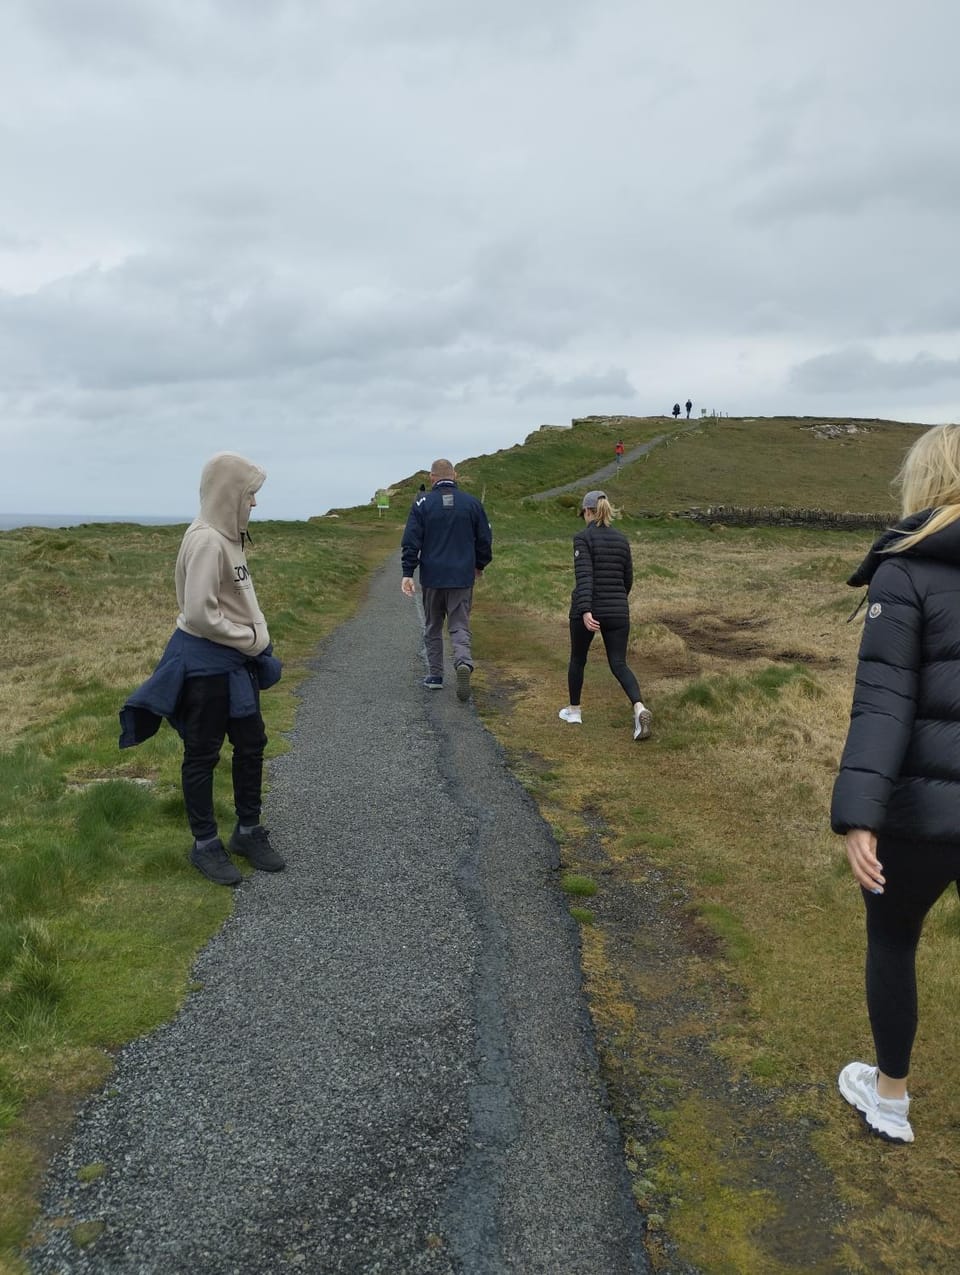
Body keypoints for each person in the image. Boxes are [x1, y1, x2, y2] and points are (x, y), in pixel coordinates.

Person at [831, 423, 960, 1144]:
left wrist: (859, 814)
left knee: (893, 937)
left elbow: (885, 703)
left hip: (918, 811)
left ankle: (890, 1098)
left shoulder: (902, 569)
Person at [119, 452, 284, 886]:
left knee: (251, 743)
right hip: (206, 667)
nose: (254, 503)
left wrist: (249, 644)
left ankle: (247, 832)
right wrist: (250, 640)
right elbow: (199, 614)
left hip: (234, 665)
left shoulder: (230, 537)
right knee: (203, 753)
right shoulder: (208, 540)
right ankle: (204, 844)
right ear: (231, 494)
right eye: (250, 494)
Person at [558, 490, 651, 740]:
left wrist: (586, 610)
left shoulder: (582, 538)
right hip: (618, 609)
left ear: (588, 511)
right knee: (619, 663)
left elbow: (584, 576)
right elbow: (627, 579)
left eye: (583, 513)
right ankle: (639, 708)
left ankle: (574, 711)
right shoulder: (622, 539)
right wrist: (618, 601)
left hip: (589, 609)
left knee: (578, 659)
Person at [401, 458, 493, 701]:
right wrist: (479, 565)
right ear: (456, 475)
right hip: (462, 577)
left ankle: (435, 676)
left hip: (432, 576)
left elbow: (411, 541)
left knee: (433, 626)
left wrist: (407, 573)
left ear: (432, 478)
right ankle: (463, 662)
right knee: (459, 625)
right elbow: (484, 539)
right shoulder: (472, 504)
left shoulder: (422, 503)